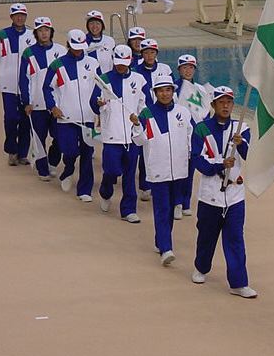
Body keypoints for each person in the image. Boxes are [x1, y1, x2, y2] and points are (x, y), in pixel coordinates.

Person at [190, 86, 257, 299]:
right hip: (210, 195)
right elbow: (197, 160)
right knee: (206, 236)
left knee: (235, 238)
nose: (225, 106)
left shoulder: (241, 128)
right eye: (221, 102)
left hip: (235, 195)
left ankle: (239, 283)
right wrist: (220, 165)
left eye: (229, 102)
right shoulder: (201, 129)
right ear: (213, 105)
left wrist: (241, 143)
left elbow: (250, 155)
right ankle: (201, 267)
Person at [130, 75, 192, 266]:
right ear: (155, 93)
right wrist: (137, 125)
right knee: (162, 208)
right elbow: (138, 141)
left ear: (173, 91)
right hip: (157, 169)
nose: (165, 94)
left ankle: (161, 240)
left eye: (168, 90)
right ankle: (166, 248)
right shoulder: (146, 114)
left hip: (179, 170)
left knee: (171, 207)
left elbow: (190, 136)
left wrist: (189, 156)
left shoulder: (183, 112)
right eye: (161, 91)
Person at [90, 45, 147, 223]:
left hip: (132, 136)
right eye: (118, 62)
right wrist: (98, 104)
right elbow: (93, 102)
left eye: (124, 62)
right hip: (111, 135)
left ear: (130, 60)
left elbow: (144, 105)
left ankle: (128, 210)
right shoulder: (103, 79)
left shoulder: (139, 80)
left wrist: (140, 119)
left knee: (129, 174)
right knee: (112, 170)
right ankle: (105, 192)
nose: (121, 66)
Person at [43, 29, 101, 202]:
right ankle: (68, 170)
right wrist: (52, 107)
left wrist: (98, 108)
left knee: (87, 153)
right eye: (75, 46)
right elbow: (47, 87)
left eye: (80, 46)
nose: (78, 50)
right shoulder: (57, 65)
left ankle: (84, 190)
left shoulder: (93, 63)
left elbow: (100, 87)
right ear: (68, 44)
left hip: (88, 118)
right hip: (66, 117)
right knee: (69, 151)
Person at [0, 3, 35, 166]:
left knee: (25, 120)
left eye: (22, 15)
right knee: (10, 118)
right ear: (11, 17)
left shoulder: (32, 35)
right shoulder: (2, 34)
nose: (20, 18)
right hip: (8, 84)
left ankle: (23, 153)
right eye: (16, 15)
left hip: (27, 85)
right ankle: (11, 150)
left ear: (26, 17)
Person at [19, 17, 66, 181]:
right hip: (37, 103)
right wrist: (26, 102)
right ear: (36, 33)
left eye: (46, 30)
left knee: (59, 137)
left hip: (56, 104)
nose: (44, 33)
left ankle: (52, 162)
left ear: (51, 32)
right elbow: (23, 79)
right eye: (40, 30)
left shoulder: (61, 50)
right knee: (39, 138)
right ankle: (42, 169)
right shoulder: (28, 53)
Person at [135, 38, 174, 201]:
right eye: (146, 52)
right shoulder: (135, 70)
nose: (149, 55)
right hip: (144, 114)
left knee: (161, 148)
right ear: (142, 54)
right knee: (145, 149)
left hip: (162, 112)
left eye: (152, 52)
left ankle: (161, 181)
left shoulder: (165, 69)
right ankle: (145, 185)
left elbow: (172, 91)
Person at [173, 54, 211, 220]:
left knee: (190, 170)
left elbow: (207, 113)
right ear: (179, 69)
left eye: (191, 67)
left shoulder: (201, 90)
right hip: (179, 134)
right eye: (184, 67)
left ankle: (186, 202)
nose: (188, 70)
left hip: (195, 136)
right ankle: (177, 202)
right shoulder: (173, 88)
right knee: (179, 170)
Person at [85, 10, 115, 74]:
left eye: (97, 23)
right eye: (91, 23)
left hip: (107, 78)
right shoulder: (83, 42)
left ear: (102, 25)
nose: (94, 26)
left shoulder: (110, 41)